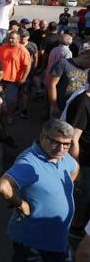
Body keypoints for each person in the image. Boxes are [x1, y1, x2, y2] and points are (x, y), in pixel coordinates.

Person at [0, 119, 79, 262]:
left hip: (58, 240)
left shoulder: (62, 157)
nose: (61, 149)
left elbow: (75, 167)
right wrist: (22, 204)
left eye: (66, 144)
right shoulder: (29, 163)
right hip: (34, 245)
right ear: (42, 137)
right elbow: (2, 186)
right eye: (56, 142)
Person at [65, 77, 90, 238]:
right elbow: (73, 138)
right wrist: (77, 167)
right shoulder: (83, 103)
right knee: (83, 195)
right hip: (85, 160)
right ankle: (75, 227)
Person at [0, 32, 31, 124]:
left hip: (13, 80)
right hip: (0, 78)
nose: (11, 40)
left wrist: (23, 78)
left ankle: (9, 116)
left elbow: (28, 65)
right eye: (10, 38)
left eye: (13, 38)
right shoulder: (2, 48)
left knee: (11, 101)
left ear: (18, 39)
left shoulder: (22, 50)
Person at [48, 48, 90, 117]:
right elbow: (52, 84)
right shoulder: (63, 63)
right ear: (85, 57)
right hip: (61, 106)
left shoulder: (88, 69)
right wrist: (54, 105)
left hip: (76, 107)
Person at [17, 29, 38, 119]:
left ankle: (24, 109)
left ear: (28, 37)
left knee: (25, 91)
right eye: (21, 36)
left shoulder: (32, 45)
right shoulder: (16, 45)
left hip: (28, 72)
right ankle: (16, 106)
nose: (23, 38)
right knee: (17, 91)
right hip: (17, 72)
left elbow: (36, 57)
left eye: (24, 36)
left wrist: (35, 68)